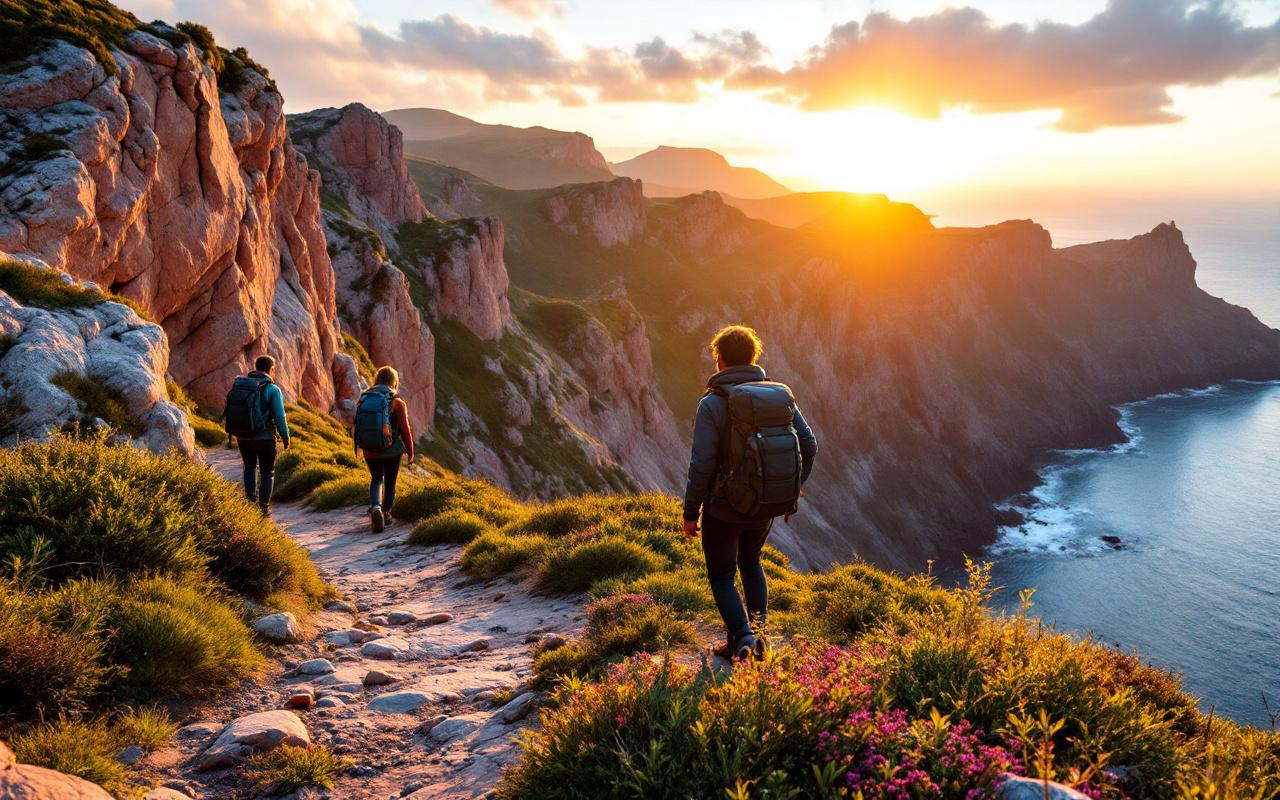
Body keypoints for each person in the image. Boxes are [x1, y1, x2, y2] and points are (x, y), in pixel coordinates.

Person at [682, 325, 818, 661]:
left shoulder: (713, 403)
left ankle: (743, 640)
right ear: (753, 357)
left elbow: (702, 464)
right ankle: (755, 639)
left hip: (725, 508)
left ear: (720, 360)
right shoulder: (777, 396)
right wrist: (792, 490)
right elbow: (809, 445)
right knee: (751, 562)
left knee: (721, 574)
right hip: (765, 504)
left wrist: (690, 512)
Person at [224, 355, 290, 515]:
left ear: (256, 366)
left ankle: (250, 504)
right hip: (264, 438)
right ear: (271, 369)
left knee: (249, 467)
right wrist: (285, 436)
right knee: (267, 472)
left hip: (243, 437)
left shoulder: (242, 384)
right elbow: (280, 416)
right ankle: (263, 509)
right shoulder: (272, 389)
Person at [353, 366, 414, 533]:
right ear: (394, 382)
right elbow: (405, 429)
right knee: (390, 481)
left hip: (369, 449)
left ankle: (375, 507)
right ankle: (386, 514)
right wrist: (410, 451)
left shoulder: (364, 398)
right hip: (391, 450)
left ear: (377, 380)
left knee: (376, 479)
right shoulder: (397, 402)